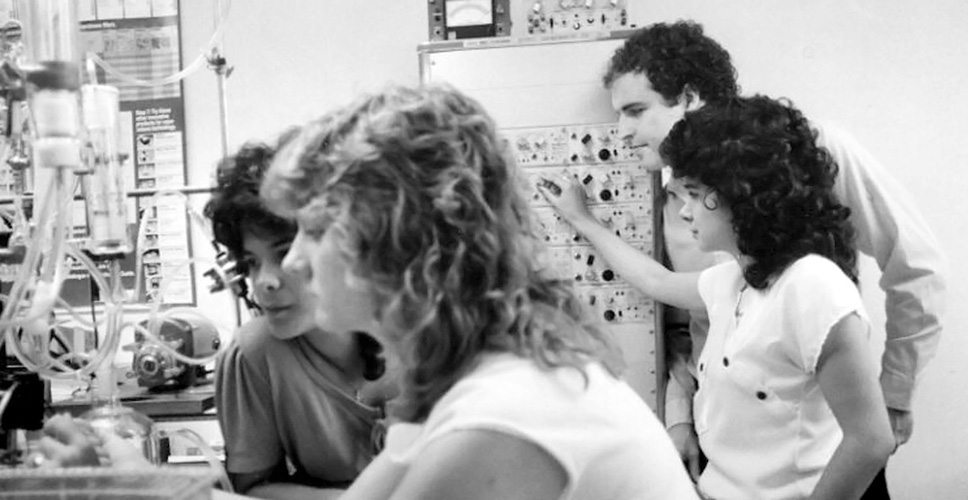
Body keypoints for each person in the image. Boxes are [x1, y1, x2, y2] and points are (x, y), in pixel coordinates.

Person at [257, 84, 698, 500]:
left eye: (315, 229)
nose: (295, 261)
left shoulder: (503, 412)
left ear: (395, 239)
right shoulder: (472, 370)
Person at [556, 20, 946, 486]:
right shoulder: (667, 199)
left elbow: (917, 267)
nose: (621, 131)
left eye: (636, 110)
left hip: (818, 451)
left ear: (689, 97)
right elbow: (674, 307)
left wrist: (895, 395)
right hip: (729, 448)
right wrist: (682, 414)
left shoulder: (803, 153)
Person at [540, 94, 896, 499]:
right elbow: (653, 279)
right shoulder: (733, 280)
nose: (685, 211)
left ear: (743, 195)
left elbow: (870, 442)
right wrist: (580, 219)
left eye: (693, 193)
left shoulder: (811, 285)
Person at [199, 139, 395, 499]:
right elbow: (252, 490)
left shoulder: (422, 336)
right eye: (252, 262)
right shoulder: (255, 354)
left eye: (285, 252)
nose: (264, 281)